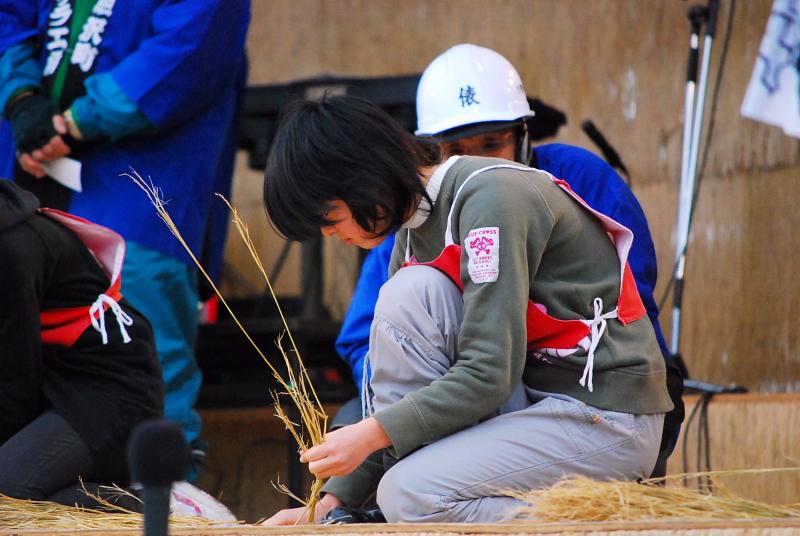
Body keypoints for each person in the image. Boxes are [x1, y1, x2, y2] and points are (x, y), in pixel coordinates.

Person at [262, 94, 673, 524]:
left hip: (604, 418)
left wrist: (371, 435)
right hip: (533, 407)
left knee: (409, 494)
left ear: (363, 179)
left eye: (330, 218)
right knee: (408, 294)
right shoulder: (413, 230)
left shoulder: (490, 198)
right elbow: (402, 390)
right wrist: (330, 503)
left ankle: (607, 521)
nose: (331, 234)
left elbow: (489, 373)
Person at [334, 43, 684, 472]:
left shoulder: (578, 175)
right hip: (467, 388)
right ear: (427, 152)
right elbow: (367, 338)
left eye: (492, 143)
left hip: (586, 385)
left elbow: (632, 298)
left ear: (523, 136)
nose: (473, 159)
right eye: (455, 148)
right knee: (355, 426)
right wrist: (400, 417)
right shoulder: (413, 214)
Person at [0, 1, 252, 477]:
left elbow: (190, 46)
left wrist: (75, 121)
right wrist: (22, 99)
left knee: (146, 363)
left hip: (138, 189)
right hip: (24, 183)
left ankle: (160, 507)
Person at [0, 180, 163, 505]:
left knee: (5, 495)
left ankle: (141, 515)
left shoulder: (9, 248)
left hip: (106, 394)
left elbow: (14, 388)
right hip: (46, 388)